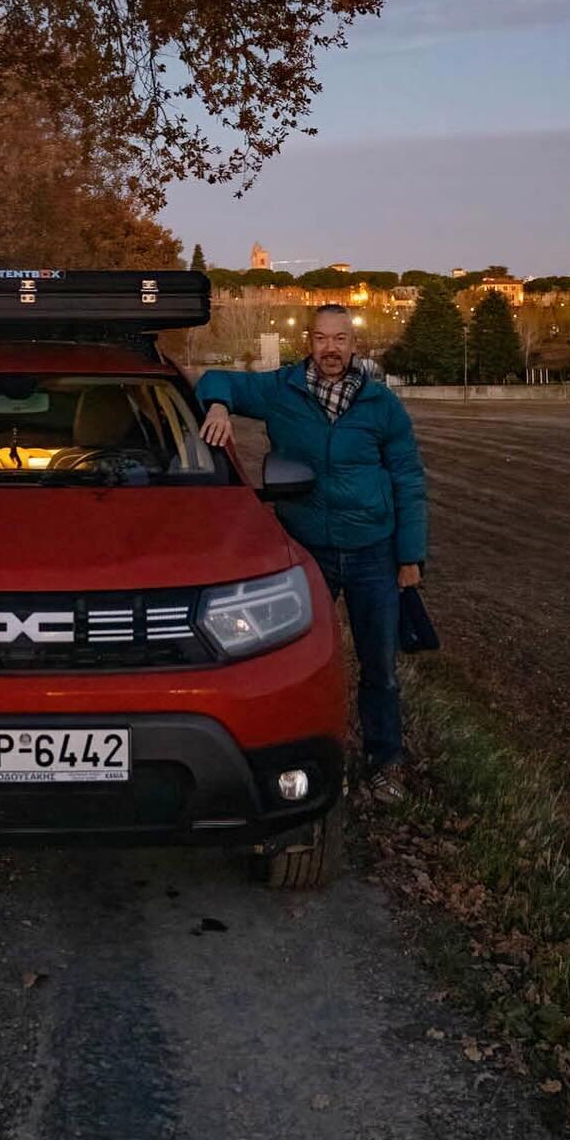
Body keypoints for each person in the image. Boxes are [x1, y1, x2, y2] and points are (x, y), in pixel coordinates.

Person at [196, 305, 426, 798]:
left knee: (379, 666)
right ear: (309, 341)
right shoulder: (282, 389)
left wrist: (410, 558)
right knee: (301, 663)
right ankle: (307, 762)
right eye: (322, 338)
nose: (331, 348)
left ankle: (386, 762)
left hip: (372, 552)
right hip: (306, 551)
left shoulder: (381, 404)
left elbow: (408, 480)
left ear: (353, 344)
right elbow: (217, 379)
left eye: (341, 338)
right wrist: (217, 406)